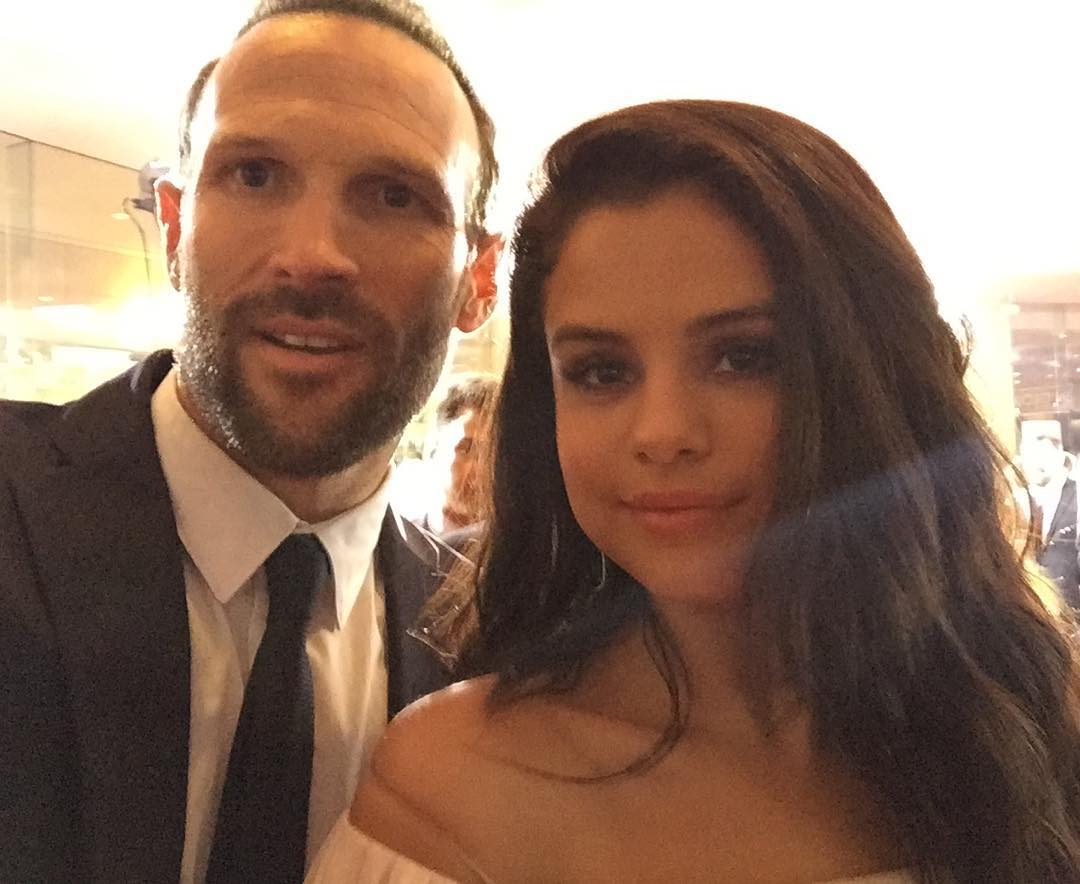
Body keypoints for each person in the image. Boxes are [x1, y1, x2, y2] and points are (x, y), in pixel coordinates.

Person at [306, 101, 1080, 883]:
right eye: (601, 371)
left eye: (743, 357)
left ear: (873, 377)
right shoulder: (456, 784)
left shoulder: (1034, 717)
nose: (663, 432)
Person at [0, 1, 502, 881]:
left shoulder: (492, 636)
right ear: (174, 226)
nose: (312, 255)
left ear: (480, 280)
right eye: (255, 175)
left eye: (395, 196)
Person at [1020, 419, 1080, 610]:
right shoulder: (1016, 499)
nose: (1036, 461)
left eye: (1044, 449)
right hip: (1030, 612)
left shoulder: (1076, 497)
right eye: (1030, 452)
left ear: (1059, 454)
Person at [429, 375, 499, 535]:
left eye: (492, 455)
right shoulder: (397, 541)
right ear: (436, 448)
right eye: (466, 450)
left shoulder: (519, 546)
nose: (480, 469)